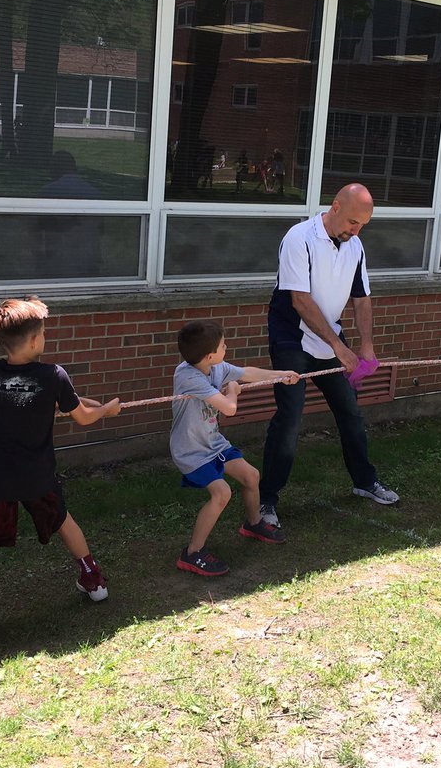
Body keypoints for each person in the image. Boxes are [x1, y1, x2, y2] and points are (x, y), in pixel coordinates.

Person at [0, 297, 121, 650]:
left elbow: (55, 400)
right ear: (35, 341)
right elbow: (81, 416)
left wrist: (82, 402)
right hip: (38, 476)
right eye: (43, 332)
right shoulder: (54, 376)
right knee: (62, 520)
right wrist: (106, 409)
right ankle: (93, 579)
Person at [259, 183, 400, 530]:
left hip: (330, 338)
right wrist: (340, 348)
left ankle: (365, 482)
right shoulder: (299, 238)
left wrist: (365, 346)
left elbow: (362, 297)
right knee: (290, 419)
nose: (357, 230)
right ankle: (267, 501)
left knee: (350, 412)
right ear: (335, 206)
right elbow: (300, 301)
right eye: (353, 221)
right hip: (292, 339)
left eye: (363, 224)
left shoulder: (355, 245)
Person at [170, 320, 300, 577]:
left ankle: (253, 524)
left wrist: (281, 375)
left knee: (251, 476)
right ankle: (192, 553)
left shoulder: (215, 367)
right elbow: (229, 408)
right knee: (222, 493)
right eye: (222, 345)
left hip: (213, 441)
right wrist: (233, 393)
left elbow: (246, 372)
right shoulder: (187, 376)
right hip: (192, 450)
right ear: (210, 355)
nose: (226, 347)